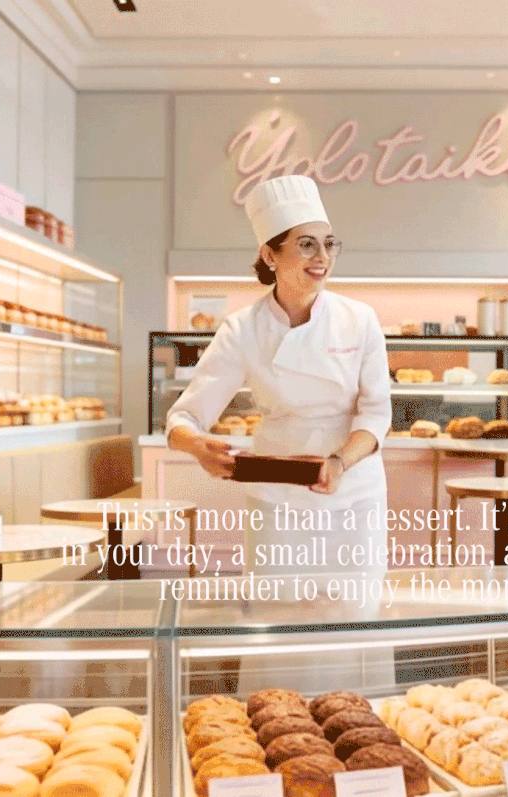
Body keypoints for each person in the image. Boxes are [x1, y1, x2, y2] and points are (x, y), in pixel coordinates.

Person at [165, 174, 395, 689]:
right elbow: (182, 419)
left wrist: (338, 462)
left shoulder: (359, 320)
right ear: (270, 255)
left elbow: (377, 414)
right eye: (307, 244)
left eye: (329, 243)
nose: (323, 257)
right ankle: (274, 731)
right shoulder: (242, 329)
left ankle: (360, 735)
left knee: (353, 615)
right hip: (278, 499)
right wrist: (197, 446)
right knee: (280, 617)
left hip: (354, 493)